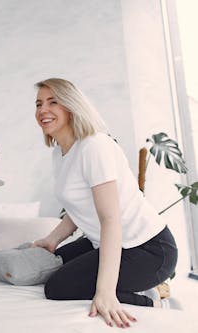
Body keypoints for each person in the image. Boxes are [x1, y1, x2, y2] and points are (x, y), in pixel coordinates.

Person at [32, 78, 178, 328]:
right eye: (38, 104)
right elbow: (80, 206)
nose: (43, 110)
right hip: (107, 243)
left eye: (53, 102)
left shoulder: (94, 146)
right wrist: (52, 240)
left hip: (149, 250)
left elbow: (111, 220)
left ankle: (150, 300)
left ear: (71, 106)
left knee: (57, 288)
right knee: (50, 264)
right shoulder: (61, 152)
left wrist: (106, 291)